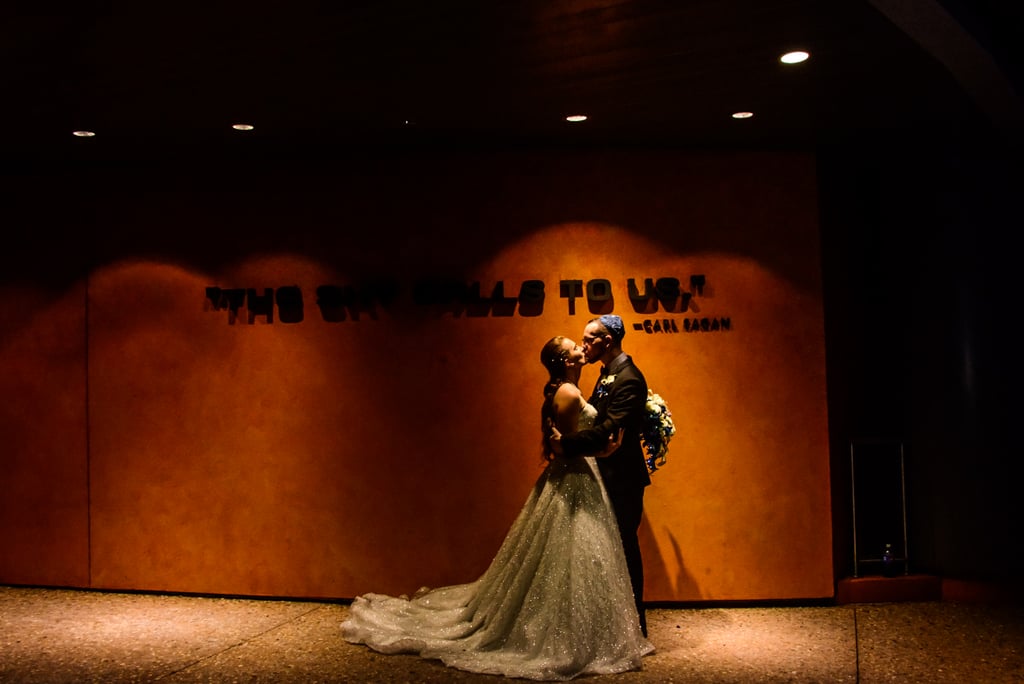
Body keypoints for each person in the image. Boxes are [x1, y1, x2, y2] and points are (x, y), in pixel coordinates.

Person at [340, 335, 654, 680]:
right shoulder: (568, 392)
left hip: (583, 476)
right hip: (575, 477)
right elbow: (564, 446)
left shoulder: (575, 387)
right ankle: (565, 634)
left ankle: (589, 629)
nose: (582, 346)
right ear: (566, 361)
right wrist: (601, 451)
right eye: (574, 346)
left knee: (584, 555)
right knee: (570, 554)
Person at [549, 314, 650, 637]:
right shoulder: (608, 373)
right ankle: (610, 625)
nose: (584, 345)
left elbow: (608, 430)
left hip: (623, 478)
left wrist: (566, 444)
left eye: (589, 339)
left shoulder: (629, 378)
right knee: (605, 549)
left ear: (607, 341)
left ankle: (634, 623)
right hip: (602, 472)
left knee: (624, 546)